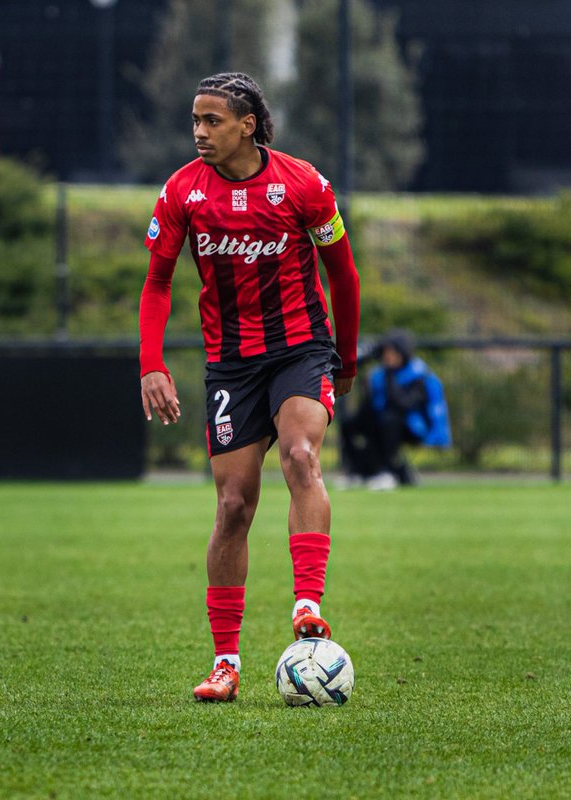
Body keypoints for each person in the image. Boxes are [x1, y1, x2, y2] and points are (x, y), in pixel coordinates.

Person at [138, 73, 360, 702]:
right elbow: (156, 285)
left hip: (300, 349)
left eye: (212, 121)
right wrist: (151, 363)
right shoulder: (182, 192)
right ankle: (226, 665)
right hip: (231, 364)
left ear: (248, 125)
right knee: (233, 505)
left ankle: (307, 605)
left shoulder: (304, 186)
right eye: (195, 121)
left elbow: (343, 277)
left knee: (300, 454)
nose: (199, 133)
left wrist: (344, 356)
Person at [339, 330, 450, 490]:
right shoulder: (379, 374)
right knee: (352, 424)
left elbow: (403, 404)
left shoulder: (419, 376)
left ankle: (388, 471)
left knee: (389, 420)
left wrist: (390, 375)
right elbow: (371, 404)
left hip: (412, 426)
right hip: (382, 422)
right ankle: (358, 472)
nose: (388, 357)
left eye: (392, 352)